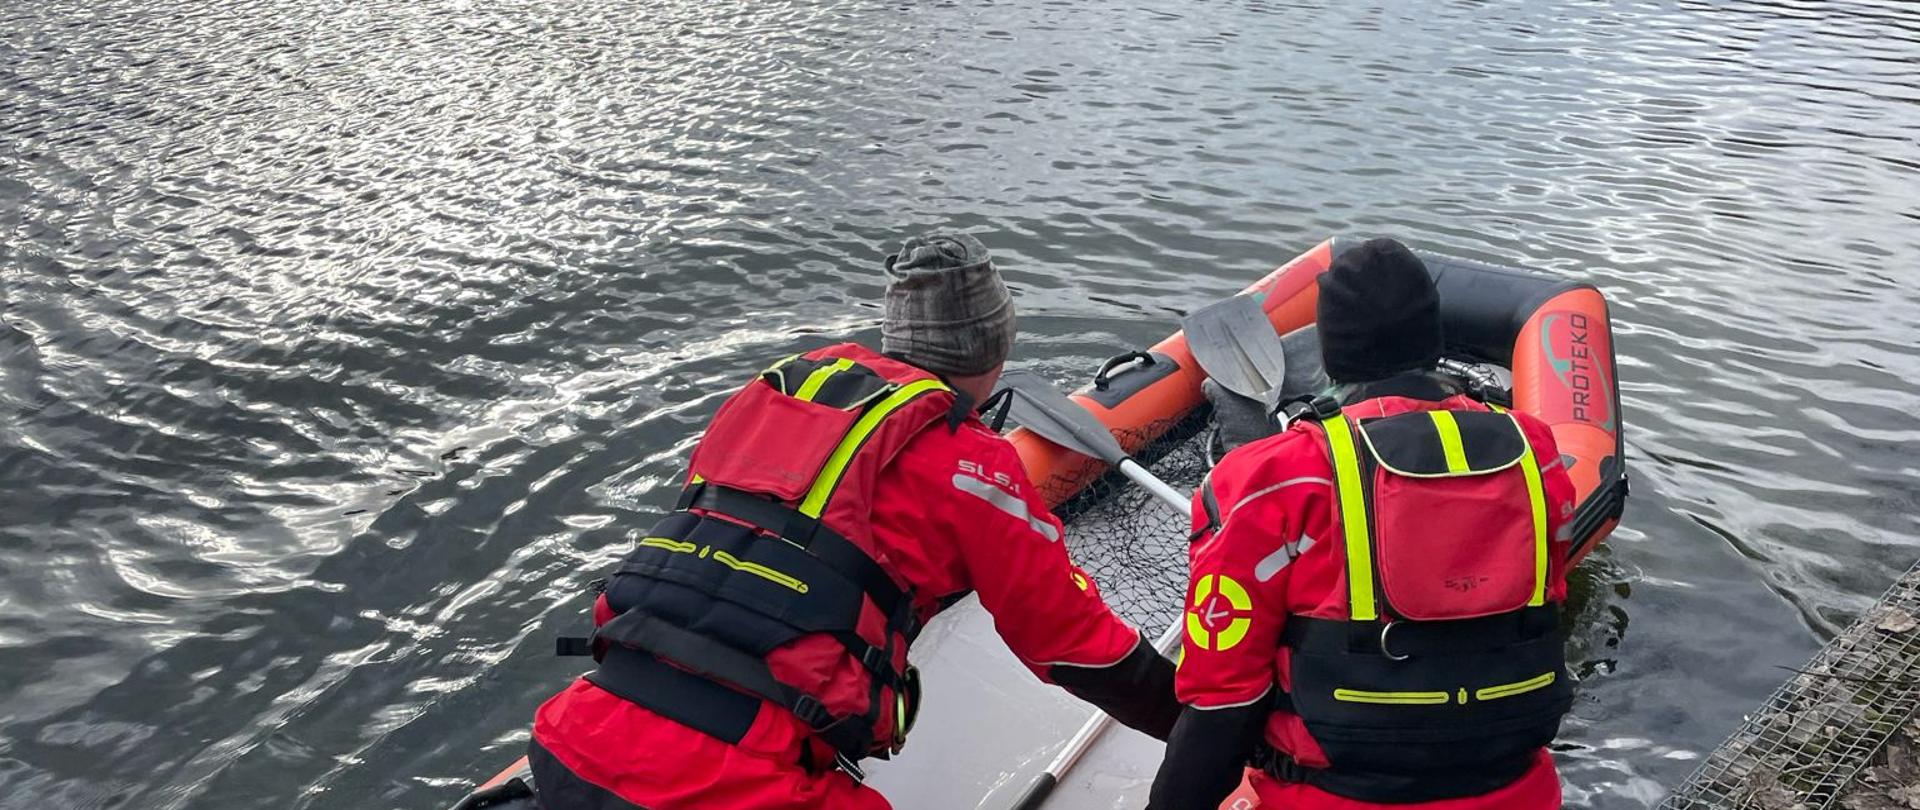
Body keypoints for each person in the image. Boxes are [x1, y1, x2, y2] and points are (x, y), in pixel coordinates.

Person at [528, 232, 1181, 810]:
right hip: (737, 787)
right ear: (993, 345)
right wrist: (1207, 725)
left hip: (570, 734)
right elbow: (1071, 642)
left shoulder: (771, 396)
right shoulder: (973, 463)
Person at [1148, 238, 1579, 810]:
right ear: (1434, 340)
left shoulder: (1270, 477)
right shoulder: (1537, 453)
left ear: (1330, 354)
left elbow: (1222, 698)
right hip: (1519, 792)